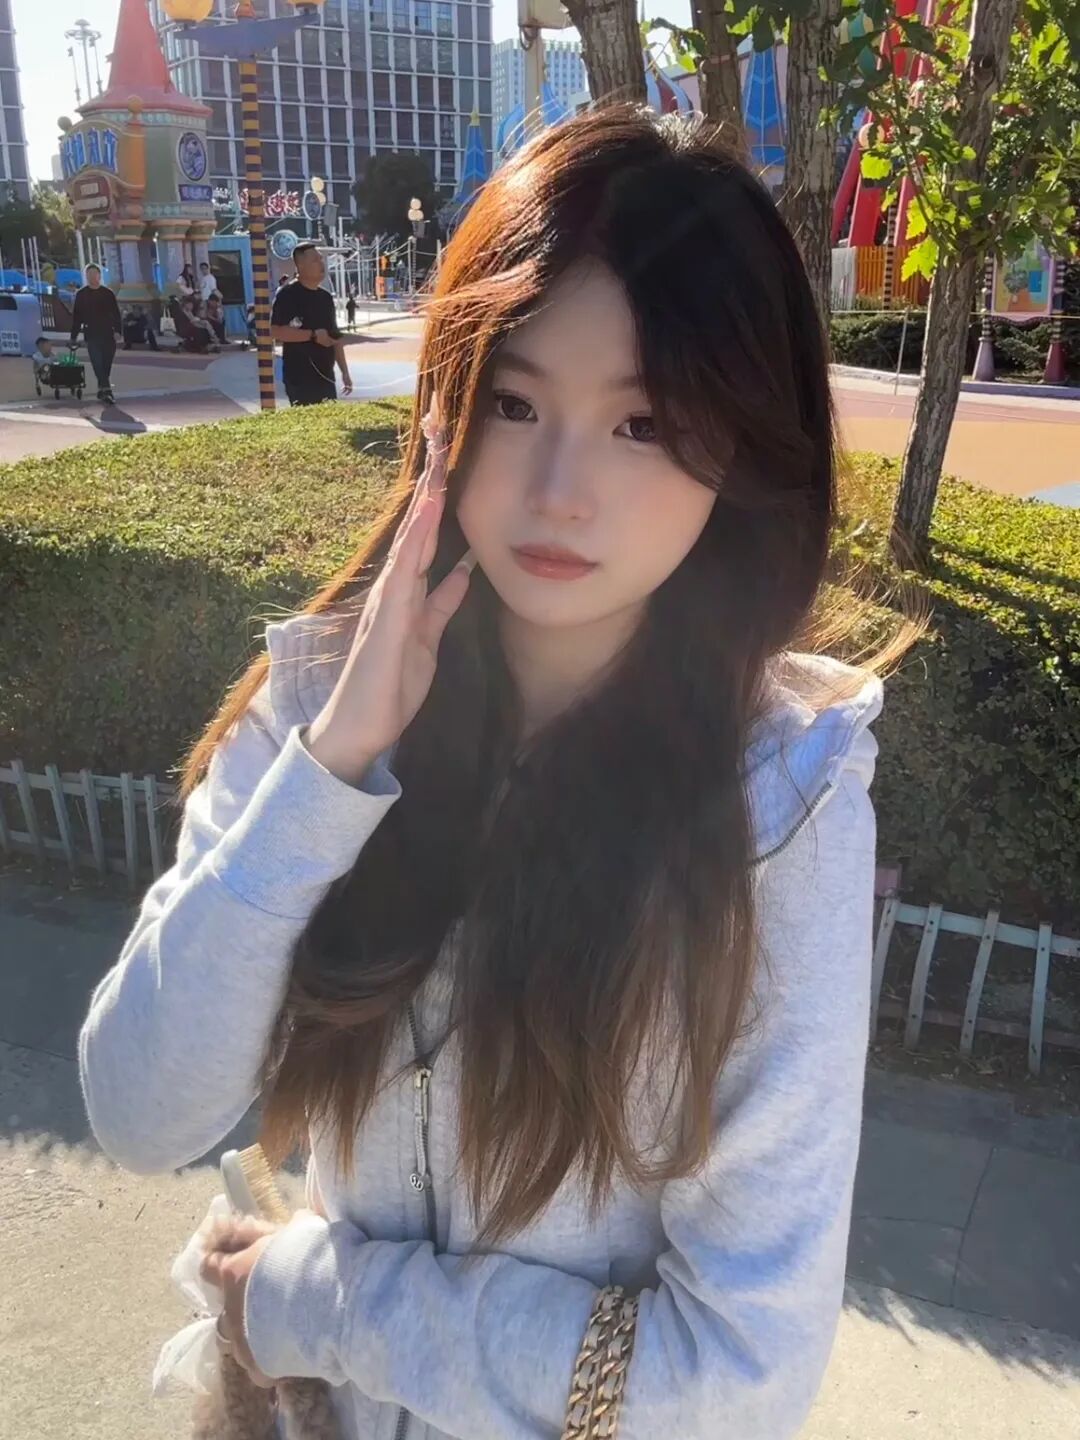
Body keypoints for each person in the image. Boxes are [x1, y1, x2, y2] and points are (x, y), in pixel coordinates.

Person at [80, 110, 906, 1440]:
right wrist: (332, 774)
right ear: (445, 411)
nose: (561, 489)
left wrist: (318, 1302)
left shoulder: (781, 803)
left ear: (743, 446)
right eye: (515, 405)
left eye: (643, 422)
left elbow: (736, 1381)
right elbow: (139, 1109)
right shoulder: (321, 702)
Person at [269, 241, 352, 405]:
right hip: (299, 378)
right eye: (315, 260)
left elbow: (334, 337)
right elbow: (276, 331)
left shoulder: (326, 297)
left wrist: (344, 372)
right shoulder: (287, 294)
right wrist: (312, 335)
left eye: (321, 259)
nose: (321, 264)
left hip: (326, 375)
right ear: (300, 265)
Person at [69, 263, 122, 402]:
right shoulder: (81, 295)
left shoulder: (108, 293)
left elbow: (116, 314)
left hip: (108, 334)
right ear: (86, 276)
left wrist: (118, 331)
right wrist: (73, 337)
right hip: (91, 334)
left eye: (94, 274)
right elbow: (77, 318)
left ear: (99, 275)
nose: (92, 277)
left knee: (106, 364)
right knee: (97, 363)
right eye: (89, 274)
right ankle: (107, 390)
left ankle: (101, 389)